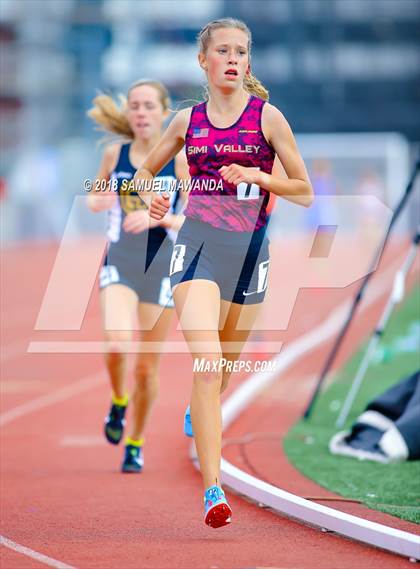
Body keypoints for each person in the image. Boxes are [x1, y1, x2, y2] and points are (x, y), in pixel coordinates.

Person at [134, 19, 313, 527]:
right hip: (196, 249)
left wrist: (259, 175)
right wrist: (153, 195)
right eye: (223, 50)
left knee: (221, 371)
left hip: (250, 255)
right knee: (208, 362)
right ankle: (213, 489)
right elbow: (147, 172)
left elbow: (303, 191)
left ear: (248, 63)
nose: (232, 58)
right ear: (204, 60)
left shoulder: (268, 119)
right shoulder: (186, 122)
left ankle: (202, 407)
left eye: (241, 51)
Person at [87, 79, 189, 473]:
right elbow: (96, 198)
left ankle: (135, 441)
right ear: (128, 114)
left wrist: (156, 216)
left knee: (147, 369)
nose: (141, 113)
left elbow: (195, 218)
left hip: (162, 268)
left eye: (149, 106)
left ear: (165, 113)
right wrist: (103, 194)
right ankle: (118, 400)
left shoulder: (179, 161)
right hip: (120, 262)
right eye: (135, 106)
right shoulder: (116, 155)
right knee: (116, 342)